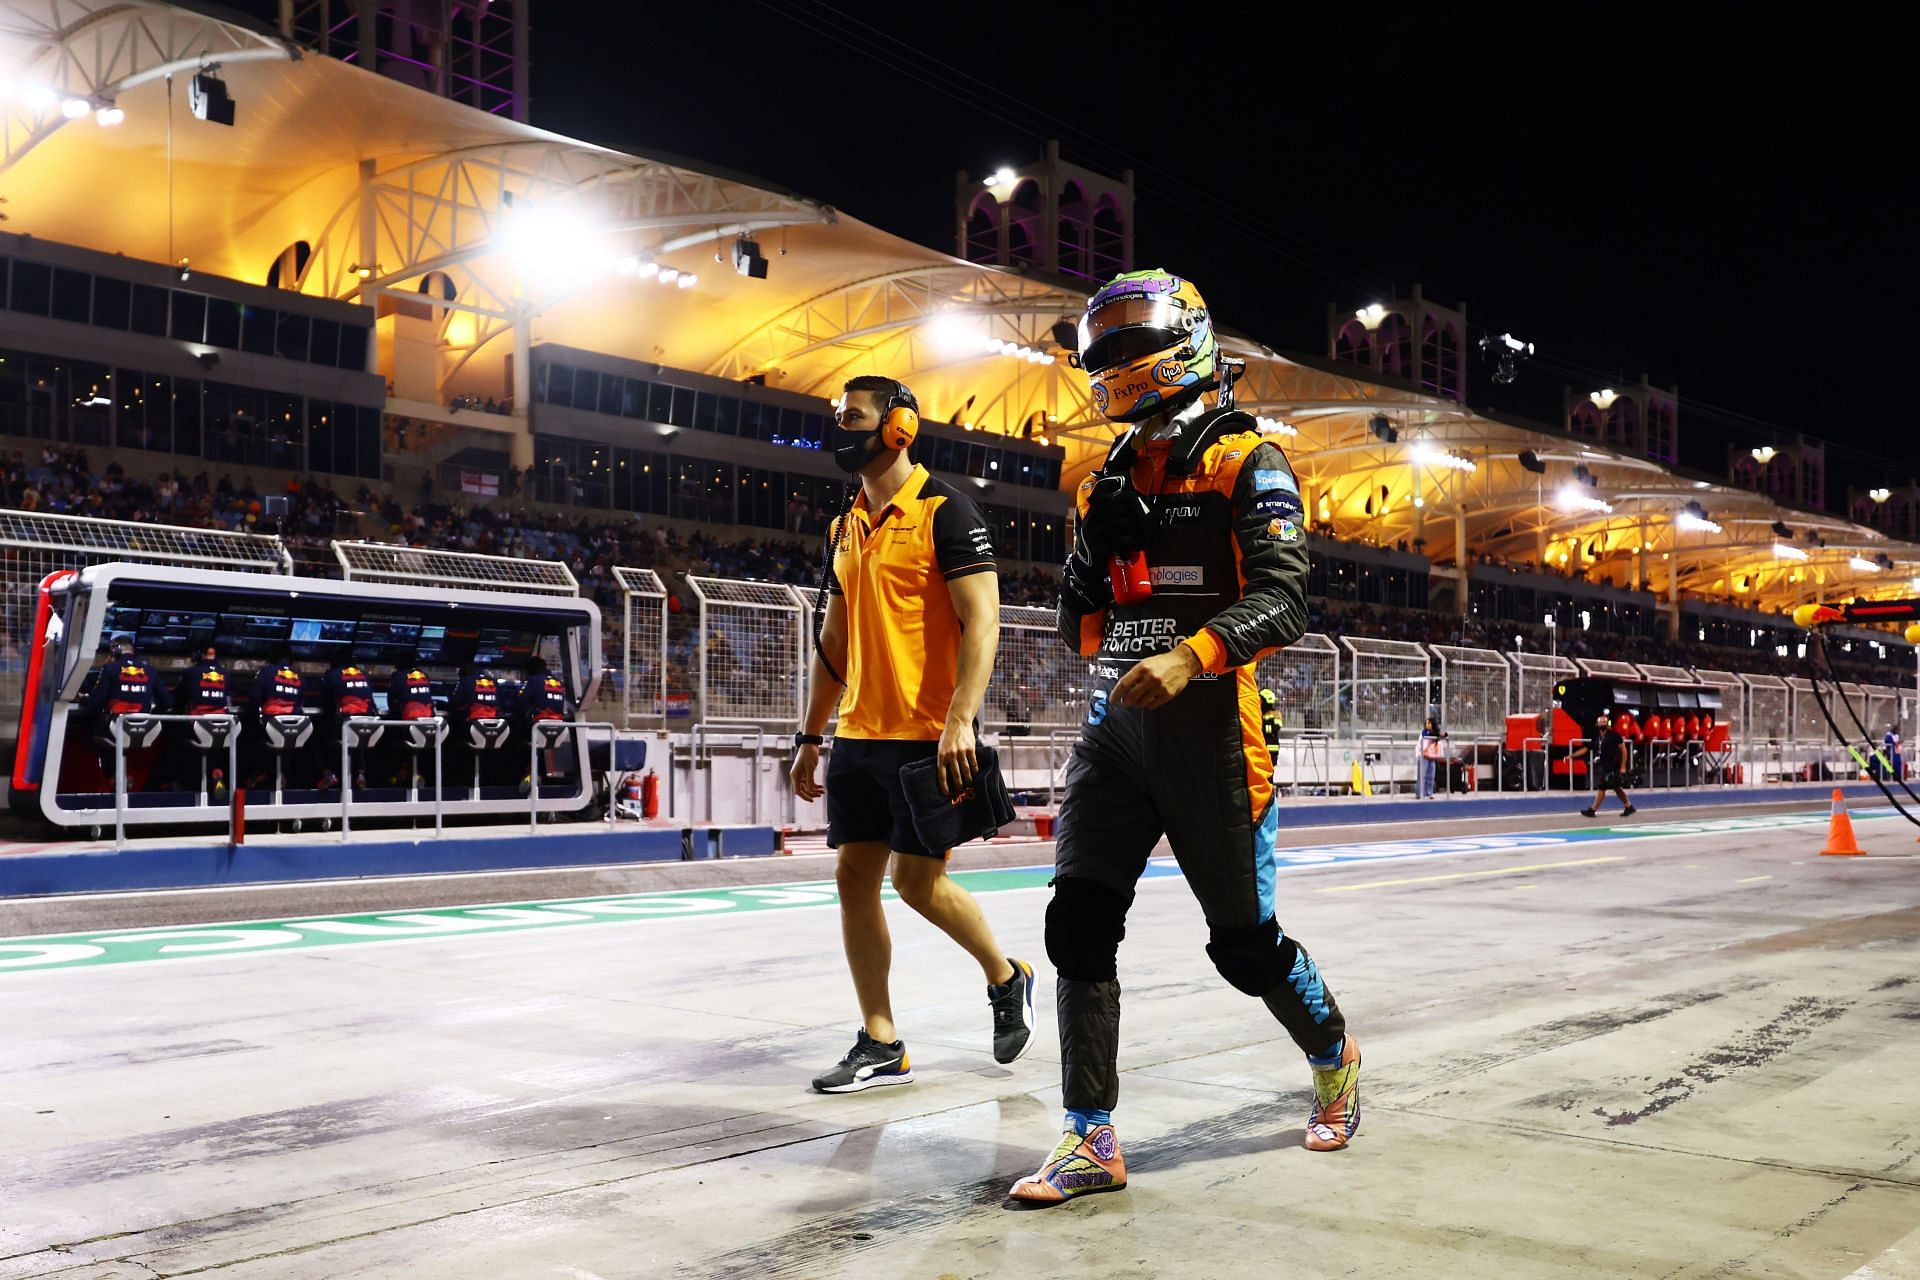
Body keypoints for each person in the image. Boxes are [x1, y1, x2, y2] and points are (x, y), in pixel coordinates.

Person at [1010, 270, 1356, 1206]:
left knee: (1243, 947)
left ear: (1190, 339)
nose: (1120, 362)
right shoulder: (1102, 481)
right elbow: (1078, 629)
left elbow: (1285, 601)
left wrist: (1190, 655)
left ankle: (1333, 1053)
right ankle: (1090, 1139)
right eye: (1106, 349)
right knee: (1077, 927)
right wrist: (1095, 551)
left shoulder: (1253, 461)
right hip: (1116, 731)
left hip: (1215, 729)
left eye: (1135, 344)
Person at [789, 374, 1035, 1094]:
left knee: (918, 884)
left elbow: (983, 620)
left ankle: (1005, 972)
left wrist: (961, 717)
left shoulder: (945, 512)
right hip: (858, 733)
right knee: (852, 878)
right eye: (836, 416)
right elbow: (833, 640)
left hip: (927, 737)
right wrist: (810, 736)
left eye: (854, 416)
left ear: (898, 427)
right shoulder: (844, 526)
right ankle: (881, 1040)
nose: (841, 428)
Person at [82, 636, 169, 785]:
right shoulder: (149, 669)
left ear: (115, 650)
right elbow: (167, 701)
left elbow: (95, 704)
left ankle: (112, 775)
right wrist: (150, 713)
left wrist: (83, 698)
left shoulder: (110, 669)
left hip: (117, 726)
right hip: (145, 729)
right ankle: (120, 776)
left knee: (92, 724)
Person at [173, 642, 233, 798]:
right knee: (210, 745)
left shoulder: (190, 673)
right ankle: (215, 772)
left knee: (175, 737)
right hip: (223, 725)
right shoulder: (226, 674)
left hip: (198, 725)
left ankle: (181, 783)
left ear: (198, 654)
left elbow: (176, 701)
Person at [317, 654, 376, 791]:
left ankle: (328, 773)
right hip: (369, 726)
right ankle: (360, 774)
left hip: (346, 725)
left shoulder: (333, 675)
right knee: (358, 737)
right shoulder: (364, 675)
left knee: (320, 734)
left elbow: (325, 702)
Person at [1578, 711, 1636, 818]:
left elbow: (1624, 750)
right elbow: (1587, 748)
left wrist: (1623, 766)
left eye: (1603, 723)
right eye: (1600, 723)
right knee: (1616, 787)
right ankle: (1628, 806)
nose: (1602, 726)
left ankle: (1593, 809)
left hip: (1614, 765)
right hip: (1606, 765)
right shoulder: (1599, 737)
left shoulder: (1614, 735)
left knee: (1602, 786)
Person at [1418, 715, 1447, 798]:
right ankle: (1421, 793)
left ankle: (1429, 792)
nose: (1427, 724)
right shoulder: (1424, 732)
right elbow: (1429, 735)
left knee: (1431, 776)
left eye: (1429, 723)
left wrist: (1442, 734)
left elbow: (1443, 735)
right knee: (1422, 775)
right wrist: (1437, 734)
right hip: (1424, 755)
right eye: (1426, 723)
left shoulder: (1435, 732)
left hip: (1432, 756)